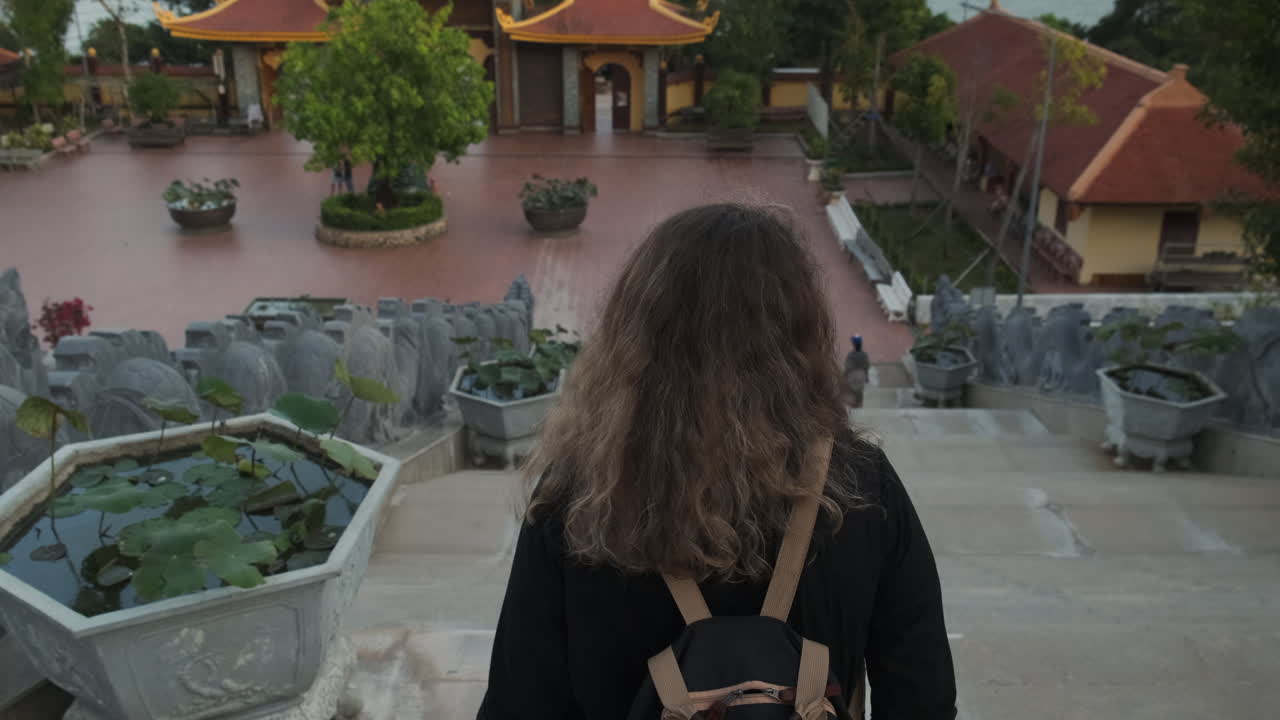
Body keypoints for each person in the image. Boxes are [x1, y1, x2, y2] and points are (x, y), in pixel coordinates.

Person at [478, 203, 956, 719]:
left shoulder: (579, 495)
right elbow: (922, 696)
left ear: (635, 332)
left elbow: (520, 699)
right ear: (799, 331)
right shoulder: (862, 485)